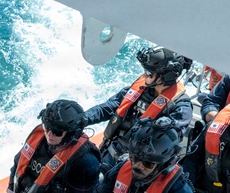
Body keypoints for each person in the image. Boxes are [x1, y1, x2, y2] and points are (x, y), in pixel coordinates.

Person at [82, 46, 193, 174]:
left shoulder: (181, 107)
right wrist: (83, 118)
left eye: (150, 74)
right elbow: (109, 107)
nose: (144, 76)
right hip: (111, 152)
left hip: (139, 167)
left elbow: (166, 142)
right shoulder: (140, 88)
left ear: (166, 76)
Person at [9, 99, 100, 193]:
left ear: (72, 133)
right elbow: (16, 168)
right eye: (47, 127)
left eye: (57, 132)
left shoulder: (86, 162)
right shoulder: (38, 141)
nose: (49, 135)